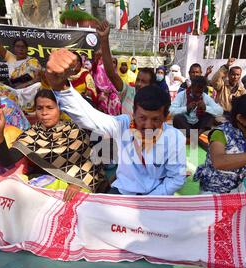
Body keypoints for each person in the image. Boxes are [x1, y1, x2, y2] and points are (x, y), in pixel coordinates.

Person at [45, 47, 187, 195]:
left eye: (156, 119)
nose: (148, 126)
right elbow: (90, 118)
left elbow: (176, 178)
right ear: (134, 112)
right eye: (142, 118)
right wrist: (59, 86)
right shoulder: (123, 124)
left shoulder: (175, 138)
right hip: (122, 192)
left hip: (156, 196)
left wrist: (148, 202)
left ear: (166, 117)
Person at [0, 89, 108, 200]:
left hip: (76, 184)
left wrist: (77, 183)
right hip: (46, 183)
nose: (44, 113)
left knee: (79, 198)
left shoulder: (75, 131)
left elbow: (90, 164)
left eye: (50, 108)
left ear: (59, 109)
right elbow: (6, 160)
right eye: (39, 108)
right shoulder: (32, 134)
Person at [97, 21, 155, 116]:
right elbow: (111, 74)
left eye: (144, 82)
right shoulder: (128, 91)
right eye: (138, 80)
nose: (139, 84)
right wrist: (104, 39)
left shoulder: (154, 101)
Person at [0, 21, 43, 113]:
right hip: (13, 91)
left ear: (27, 49)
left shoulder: (32, 61)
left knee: (39, 86)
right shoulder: (10, 58)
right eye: (17, 46)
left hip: (29, 90)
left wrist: (23, 86)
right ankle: (8, 107)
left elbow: (38, 79)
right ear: (14, 48)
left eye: (23, 47)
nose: (20, 49)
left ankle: (28, 109)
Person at [92, 50, 122, 115]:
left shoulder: (116, 74)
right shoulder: (99, 68)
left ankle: (115, 121)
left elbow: (118, 88)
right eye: (110, 61)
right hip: (101, 93)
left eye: (114, 62)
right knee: (103, 100)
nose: (111, 64)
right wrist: (97, 59)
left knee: (116, 100)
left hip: (112, 93)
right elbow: (94, 67)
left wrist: (111, 91)